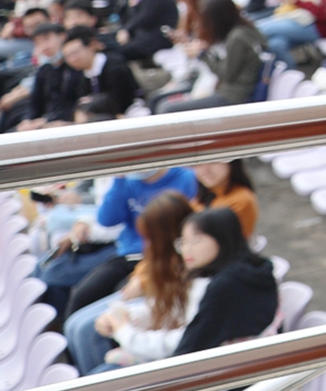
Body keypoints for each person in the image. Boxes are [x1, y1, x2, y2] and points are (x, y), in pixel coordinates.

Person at [112, 207, 278, 391]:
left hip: (240, 387)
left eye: (196, 240)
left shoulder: (227, 286)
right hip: (235, 376)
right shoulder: (244, 271)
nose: (187, 250)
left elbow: (191, 350)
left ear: (222, 238)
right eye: (183, 242)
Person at [41, 166, 201, 321]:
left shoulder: (185, 178)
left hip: (162, 257)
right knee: (81, 296)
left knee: (115, 302)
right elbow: (107, 219)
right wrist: (119, 178)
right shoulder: (128, 182)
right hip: (128, 255)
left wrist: (142, 280)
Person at [64, 190, 195, 377]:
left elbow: (177, 338)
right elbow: (159, 305)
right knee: (78, 322)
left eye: (150, 239)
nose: (147, 245)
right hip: (151, 332)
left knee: (87, 332)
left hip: (169, 357)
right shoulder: (164, 262)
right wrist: (126, 317)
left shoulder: (192, 273)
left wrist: (124, 330)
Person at [156, 0, 265, 113]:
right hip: (230, 92)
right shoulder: (243, 31)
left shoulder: (237, 38)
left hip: (234, 96)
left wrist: (201, 55)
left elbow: (226, 75)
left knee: (166, 109)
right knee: (162, 104)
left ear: (217, 18)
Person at [109, 0, 178, 66]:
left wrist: (133, 8)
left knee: (118, 52)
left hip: (159, 37)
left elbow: (145, 19)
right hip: (146, 35)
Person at [191, 159, 258, 237]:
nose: (205, 170)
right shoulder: (198, 200)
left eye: (213, 161)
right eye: (199, 163)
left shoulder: (241, 200)